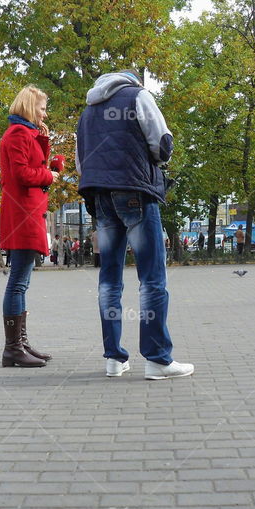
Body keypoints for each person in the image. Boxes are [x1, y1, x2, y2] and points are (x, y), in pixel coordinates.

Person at [76, 70, 193, 380]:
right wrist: (156, 164)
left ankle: (114, 358)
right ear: (131, 80)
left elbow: (80, 161)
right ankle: (157, 359)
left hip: (99, 195)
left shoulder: (87, 111)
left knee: (109, 279)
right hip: (134, 191)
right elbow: (162, 141)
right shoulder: (138, 96)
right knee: (152, 277)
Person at [0, 85, 58, 368]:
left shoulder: (23, 133)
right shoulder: (18, 134)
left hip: (26, 211)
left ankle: (20, 344)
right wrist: (49, 175)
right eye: (42, 108)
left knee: (22, 282)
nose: (45, 114)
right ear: (29, 107)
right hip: (22, 213)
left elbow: (29, 166)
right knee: (18, 282)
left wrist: (44, 143)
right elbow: (23, 173)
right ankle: (13, 349)